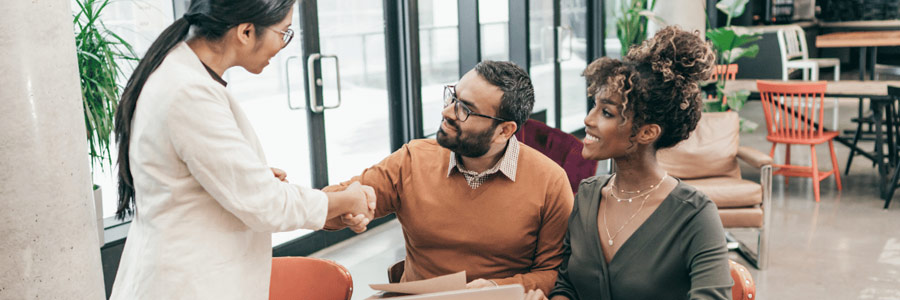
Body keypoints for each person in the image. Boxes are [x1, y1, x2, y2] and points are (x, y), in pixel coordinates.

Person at [109, 1, 375, 299]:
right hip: (186, 283)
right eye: (284, 32)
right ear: (246, 32)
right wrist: (344, 200)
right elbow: (265, 204)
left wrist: (252, 176)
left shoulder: (181, 74)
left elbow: (195, 180)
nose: (284, 45)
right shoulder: (189, 93)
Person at [323, 61, 574, 293]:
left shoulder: (549, 181)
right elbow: (326, 208)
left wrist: (497, 287)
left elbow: (554, 272)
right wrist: (347, 204)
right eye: (453, 97)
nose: (447, 112)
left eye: (465, 109)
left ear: (504, 131)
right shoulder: (413, 160)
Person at [526, 26, 733, 300]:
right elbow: (568, 285)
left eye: (607, 112)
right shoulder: (587, 197)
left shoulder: (693, 215)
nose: (588, 120)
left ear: (647, 132)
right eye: (594, 106)